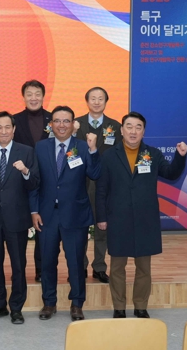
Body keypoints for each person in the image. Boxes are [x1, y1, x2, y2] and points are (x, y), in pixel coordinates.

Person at [96, 112, 187, 319]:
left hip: (145, 220)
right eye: (129, 126)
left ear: (143, 132)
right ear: (121, 130)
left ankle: (140, 306)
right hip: (118, 218)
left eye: (138, 127)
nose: (133, 131)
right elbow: (102, 189)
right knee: (117, 268)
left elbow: (171, 173)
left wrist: (180, 156)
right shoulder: (109, 155)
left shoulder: (152, 154)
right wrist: (101, 217)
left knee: (144, 268)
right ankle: (119, 307)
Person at [31, 106, 100, 322]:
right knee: (47, 262)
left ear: (73, 124)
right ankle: (49, 302)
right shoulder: (40, 147)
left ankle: (77, 304)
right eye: (57, 121)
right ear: (51, 124)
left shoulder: (83, 146)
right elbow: (34, 182)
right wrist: (34, 210)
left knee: (76, 263)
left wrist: (93, 150)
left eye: (66, 121)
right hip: (47, 215)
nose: (62, 125)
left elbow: (94, 173)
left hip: (75, 215)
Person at [0, 111, 39, 324]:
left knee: (18, 265)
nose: (3, 131)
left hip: (17, 218)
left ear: (14, 129)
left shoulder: (27, 151)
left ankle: (16, 308)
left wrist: (25, 171)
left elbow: (35, 183)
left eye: (7, 127)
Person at [73, 87, 122, 283]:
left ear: (106, 102)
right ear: (87, 101)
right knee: (80, 228)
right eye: (92, 98)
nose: (96, 102)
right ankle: (80, 266)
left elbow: (118, 155)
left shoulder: (115, 126)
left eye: (100, 98)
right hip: (79, 183)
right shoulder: (75, 124)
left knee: (102, 227)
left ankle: (99, 267)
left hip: (104, 184)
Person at [13, 80, 53, 282]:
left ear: (43, 96)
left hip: (47, 181)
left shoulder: (54, 119)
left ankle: (41, 269)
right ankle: (18, 270)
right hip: (20, 180)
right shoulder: (14, 120)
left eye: (37, 94)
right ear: (23, 97)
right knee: (19, 229)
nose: (34, 98)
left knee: (42, 228)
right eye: (29, 94)